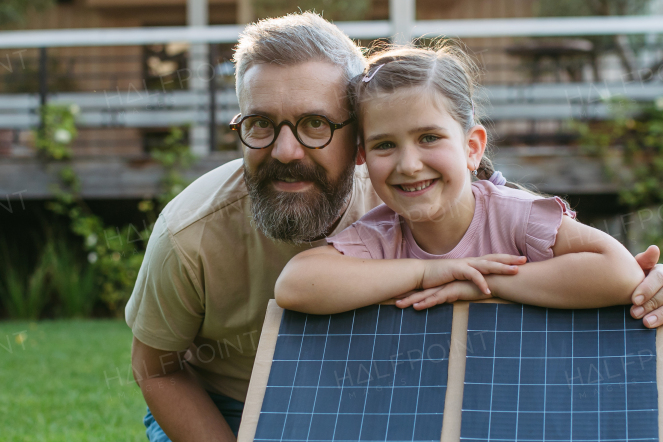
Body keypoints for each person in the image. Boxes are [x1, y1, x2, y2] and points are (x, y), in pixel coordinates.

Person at [124, 12, 663, 442]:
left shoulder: (406, 190)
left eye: (314, 124)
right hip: (226, 408)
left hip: (363, 400)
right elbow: (156, 372)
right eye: (261, 125)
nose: (286, 150)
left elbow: (536, 235)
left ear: (354, 134)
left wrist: (651, 287)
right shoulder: (189, 234)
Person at [276, 43, 644, 313]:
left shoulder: (516, 217)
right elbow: (296, 285)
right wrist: (427, 272)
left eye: (429, 138)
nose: (409, 164)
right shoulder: (380, 237)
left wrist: (481, 284)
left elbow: (620, 271)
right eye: (385, 144)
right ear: (362, 157)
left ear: (472, 147)